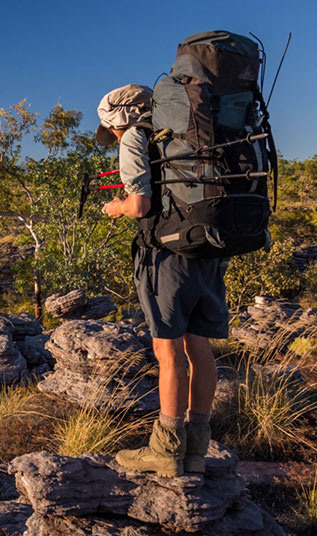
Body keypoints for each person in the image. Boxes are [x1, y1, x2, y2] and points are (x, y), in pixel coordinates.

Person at [95, 84, 227, 478]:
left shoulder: (137, 137)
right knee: (198, 347)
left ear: (120, 120)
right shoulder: (188, 136)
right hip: (209, 246)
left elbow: (140, 205)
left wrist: (116, 207)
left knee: (168, 352)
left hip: (169, 255)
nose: (115, 138)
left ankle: (168, 450)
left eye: (112, 130)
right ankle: (197, 452)